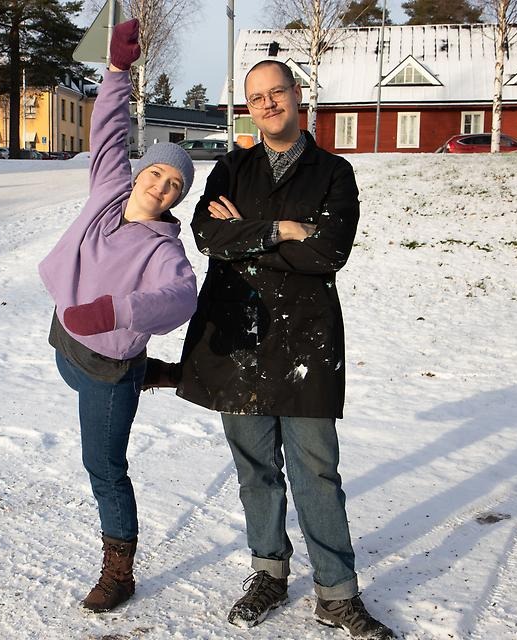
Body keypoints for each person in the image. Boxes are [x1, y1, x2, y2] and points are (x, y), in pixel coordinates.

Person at [164, 59, 395, 638]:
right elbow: (207, 235)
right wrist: (284, 229)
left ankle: (336, 594)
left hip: (306, 340)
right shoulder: (232, 167)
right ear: (249, 107)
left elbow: (328, 254)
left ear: (298, 96)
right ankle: (268, 572)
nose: (267, 104)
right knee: (255, 471)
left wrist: (246, 236)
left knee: (317, 471)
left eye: (277, 93)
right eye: (256, 97)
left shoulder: (334, 173)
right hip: (239, 338)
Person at [37, 19, 197, 614]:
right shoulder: (109, 190)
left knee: (103, 466)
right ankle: (153, 372)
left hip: (107, 367)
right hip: (69, 345)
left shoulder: (165, 250)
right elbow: (106, 132)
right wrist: (116, 73)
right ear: (142, 170)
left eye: (175, 184)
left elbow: (180, 299)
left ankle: (120, 569)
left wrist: (117, 310)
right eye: (157, 172)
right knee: (82, 370)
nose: (162, 185)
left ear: (178, 198)